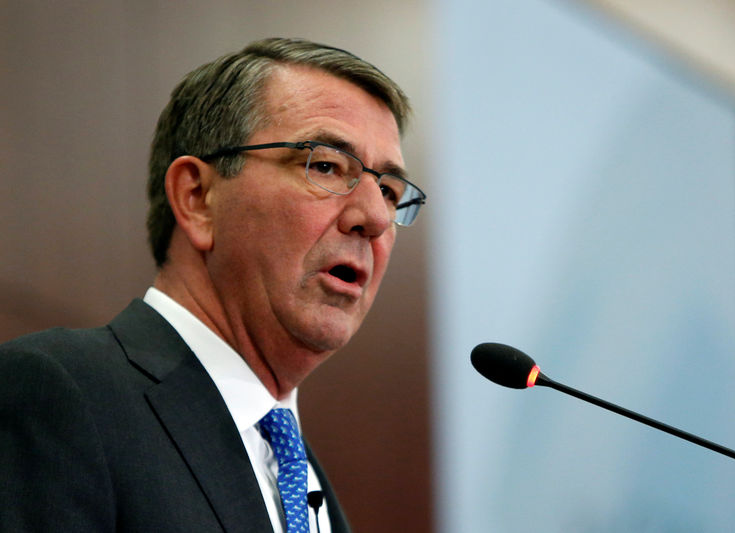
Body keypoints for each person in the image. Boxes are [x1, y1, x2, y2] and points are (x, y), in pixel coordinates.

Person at [0, 37, 425, 533]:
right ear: (198, 197)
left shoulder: (298, 471)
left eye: (390, 191)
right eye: (326, 165)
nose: (374, 217)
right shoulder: (59, 396)